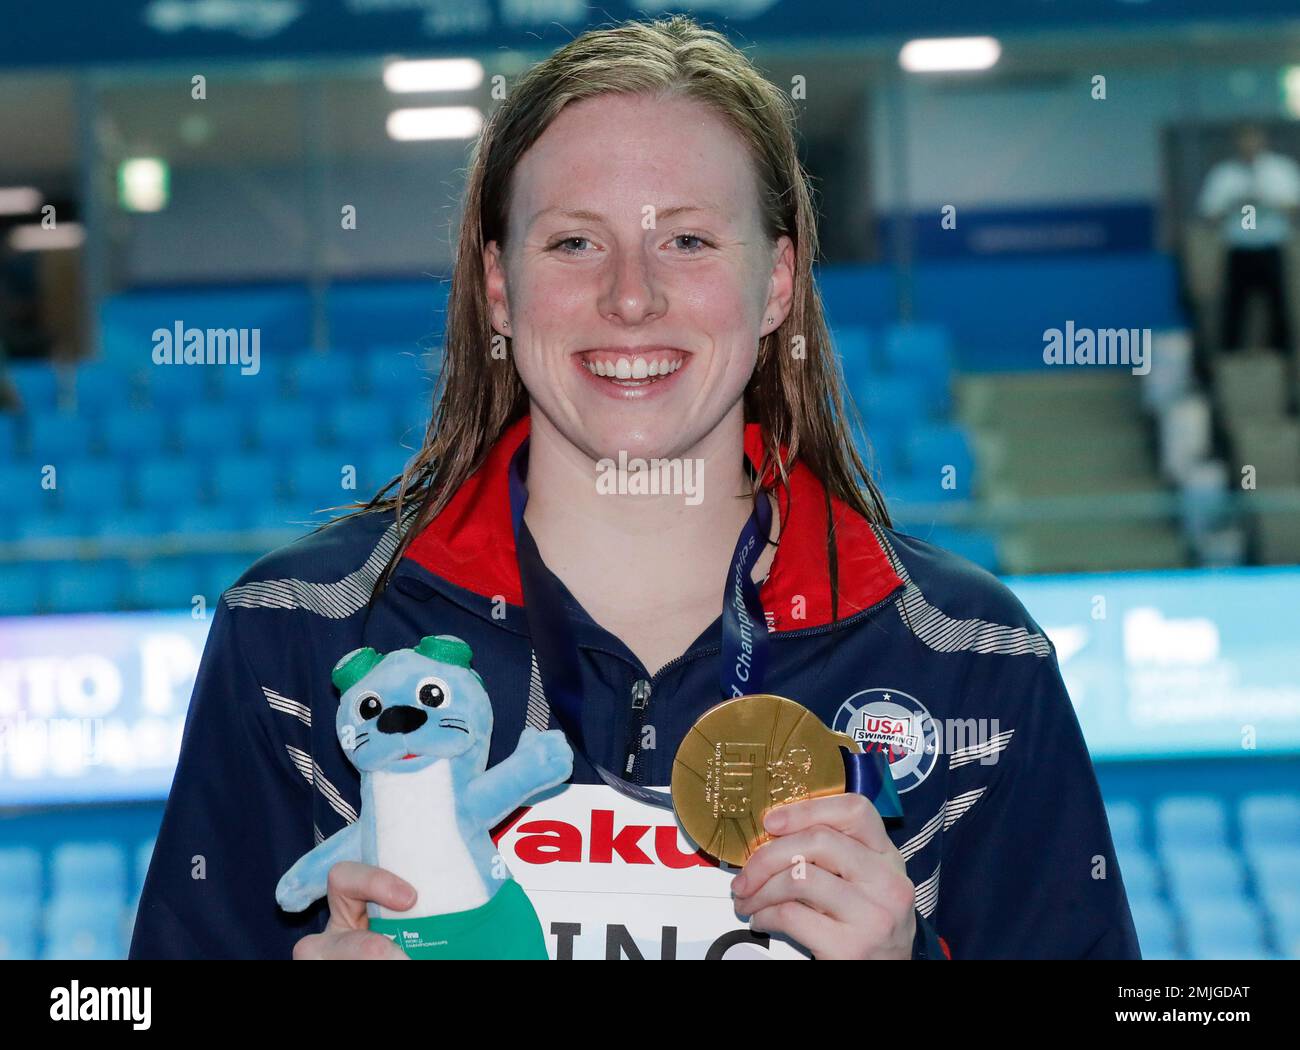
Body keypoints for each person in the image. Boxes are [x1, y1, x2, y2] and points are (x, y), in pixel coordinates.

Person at [129, 14, 1139, 960]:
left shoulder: (969, 654)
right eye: (574, 242)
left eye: (688, 241)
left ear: (777, 283)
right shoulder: (300, 634)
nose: (629, 295)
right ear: (497, 286)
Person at [1198, 122, 1300, 353]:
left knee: (1278, 309)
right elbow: (1208, 214)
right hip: (1239, 250)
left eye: (1254, 139)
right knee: (1234, 311)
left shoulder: (1281, 170)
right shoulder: (1224, 175)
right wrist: (1234, 203)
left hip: (1271, 248)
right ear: (1237, 143)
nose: (1249, 145)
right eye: (1244, 140)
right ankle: (1231, 369)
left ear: (1263, 141)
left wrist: (1269, 201)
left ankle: (1280, 366)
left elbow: (1295, 207)